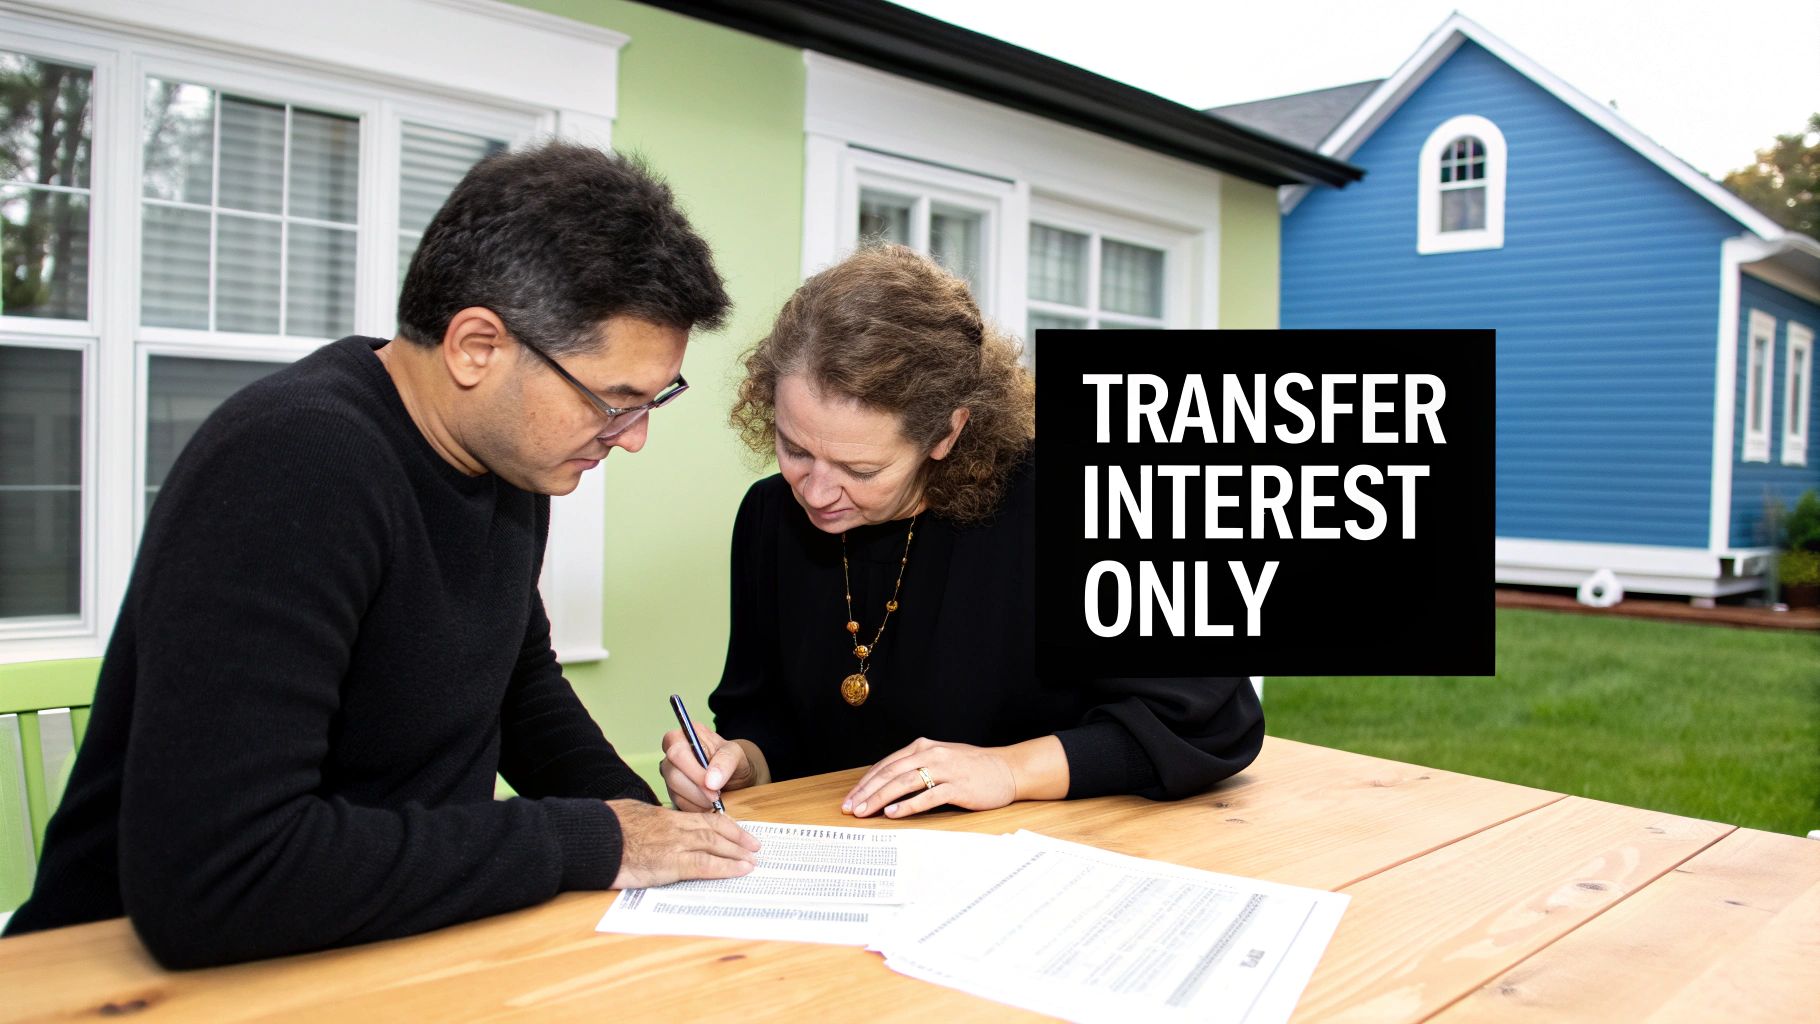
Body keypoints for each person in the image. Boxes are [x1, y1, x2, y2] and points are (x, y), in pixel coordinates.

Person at [3, 142, 760, 968]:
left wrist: (638, 819)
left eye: (654, 401)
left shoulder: (506, 460)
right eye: (613, 401)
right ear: (477, 347)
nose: (635, 436)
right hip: (134, 972)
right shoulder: (294, 465)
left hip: (367, 937)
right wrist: (589, 837)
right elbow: (220, 878)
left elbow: (516, 682)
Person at [660, 245, 1264, 819]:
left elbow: (1210, 723)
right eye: (794, 449)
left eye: (861, 470)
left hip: (1057, 852)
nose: (814, 492)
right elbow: (769, 719)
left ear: (947, 434)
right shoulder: (771, 517)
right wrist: (746, 765)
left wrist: (1009, 770)